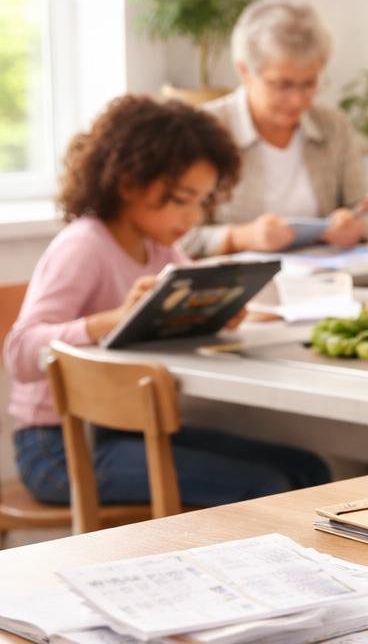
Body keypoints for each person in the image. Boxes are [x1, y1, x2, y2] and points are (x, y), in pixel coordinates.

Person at [5, 95, 332, 505]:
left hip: (128, 427)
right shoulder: (84, 245)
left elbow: (172, 312)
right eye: (181, 200)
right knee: (267, 488)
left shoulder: (159, 247)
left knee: (310, 471)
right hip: (58, 446)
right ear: (128, 183)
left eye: (202, 201)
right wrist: (113, 319)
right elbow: (19, 351)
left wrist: (217, 311)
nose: (193, 218)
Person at [181, 0, 368, 257]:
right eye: (282, 85)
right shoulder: (203, 130)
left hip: (325, 282)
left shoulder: (332, 127)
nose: (297, 99)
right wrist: (241, 237)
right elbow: (177, 239)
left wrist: (357, 226)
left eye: (308, 84)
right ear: (244, 72)